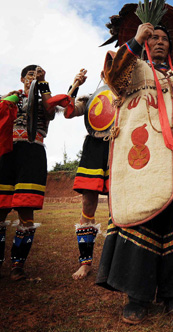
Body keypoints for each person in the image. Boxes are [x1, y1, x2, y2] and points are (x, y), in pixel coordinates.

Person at [96, 23, 173, 324]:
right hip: (141, 156)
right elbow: (112, 77)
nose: (159, 42)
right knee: (140, 215)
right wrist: (136, 39)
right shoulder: (132, 66)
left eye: (164, 38)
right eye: (153, 37)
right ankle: (136, 295)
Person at [0, 65, 55, 280]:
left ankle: (17, 266)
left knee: (26, 210)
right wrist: (8, 99)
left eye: (37, 74)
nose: (33, 77)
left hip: (32, 153)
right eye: (30, 74)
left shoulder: (44, 101)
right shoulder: (7, 98)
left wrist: (43, 84)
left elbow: (51, 111)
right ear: (22, 78)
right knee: (0, 208)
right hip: (7, 152)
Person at [64, 69, 112, 280]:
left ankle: (114, 263)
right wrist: (75, 85)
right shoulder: (92, 97)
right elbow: (69, 111)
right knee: (87, 204)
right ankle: (85, 263)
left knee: (117, 207)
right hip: (93, 149)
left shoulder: (130, 96)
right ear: (104, 72)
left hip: (118, 148)